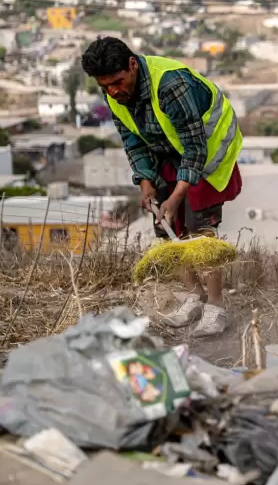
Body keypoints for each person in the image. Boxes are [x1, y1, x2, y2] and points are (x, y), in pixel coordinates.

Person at [81, 37, 243, 336]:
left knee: (199, 233)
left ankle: (216, 307)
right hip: (166, 152)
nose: (113, 91)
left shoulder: (170, 84)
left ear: (132, 64)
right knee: (168, 229)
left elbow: (195, 148)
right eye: (105, 87)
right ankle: (194, 297)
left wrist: (178, 195)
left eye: (118, 81)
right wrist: (145, 181)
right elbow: (132, 140)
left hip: (205, 152)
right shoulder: (113, 93)